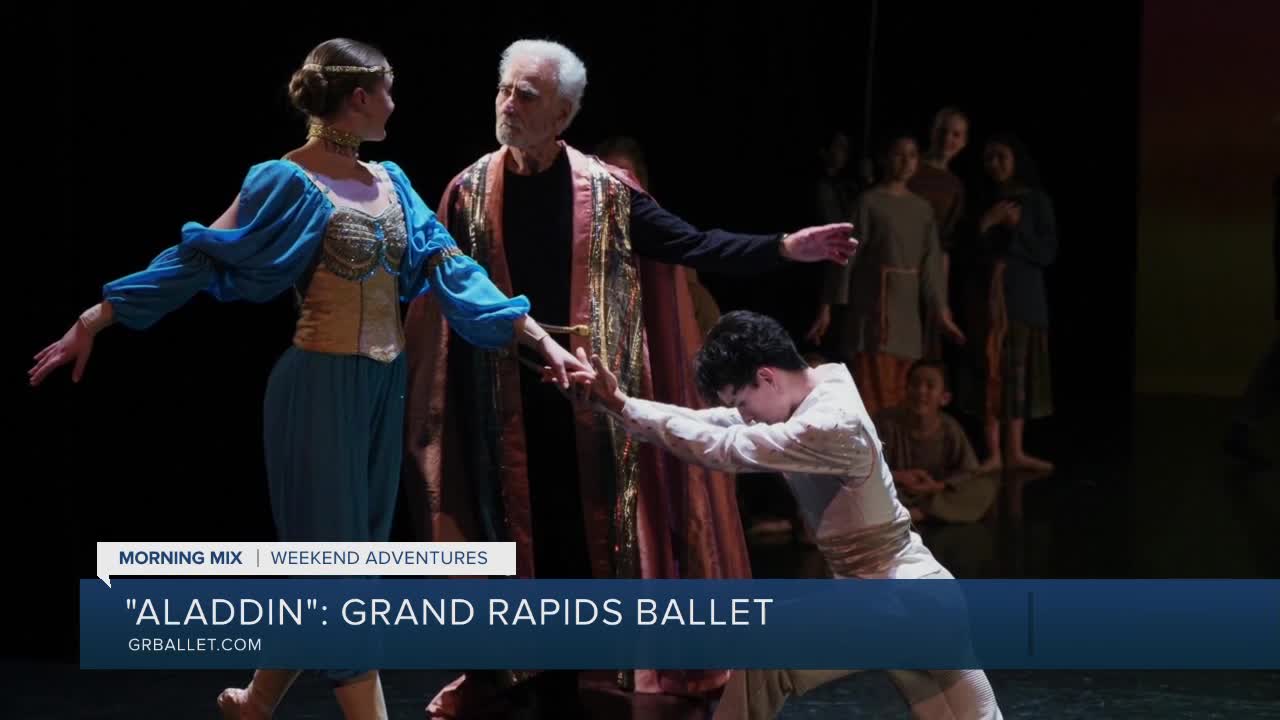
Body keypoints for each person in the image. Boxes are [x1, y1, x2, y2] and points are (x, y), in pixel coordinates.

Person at [28, 38, 584, 720]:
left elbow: (454, 273)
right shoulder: (285, 180)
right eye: (387, 90)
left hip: (381, 392)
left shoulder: (392, 182)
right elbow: (198, 257)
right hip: (318, 389)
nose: (395, 104)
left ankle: (256, 702)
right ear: (359, 98)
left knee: (338, 569)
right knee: (339, 576)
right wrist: (94, 319)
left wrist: (538, 339)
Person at [400, 38, 857, 715]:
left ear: (562, 115)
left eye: (527, 95)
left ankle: (584, 675)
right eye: (505, 89)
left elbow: (692, 243)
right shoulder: (467, 192)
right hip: (500, 399)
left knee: (580, 535)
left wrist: (784, 248)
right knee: (510, 536)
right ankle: (514, 671)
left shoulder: (607, 192)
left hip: (586, 396)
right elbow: (439, 291)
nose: (509, 104)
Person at [570, 310, 1002, 719]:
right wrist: (618, 403)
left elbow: (724, 448)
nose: (744, 416)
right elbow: (719, 423)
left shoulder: (829, 425)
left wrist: (623, 408)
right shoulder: (824, 379)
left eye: (744, 402)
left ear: (767, 377)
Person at [808, 131, 964, 417]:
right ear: (885, 159)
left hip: (907, 313)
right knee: (872, 387)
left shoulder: (922, 209)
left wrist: (942, 312)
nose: (906, 162)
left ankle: (895, 443)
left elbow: (931, 265)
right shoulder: (869, 202)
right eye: (899, 154)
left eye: (912, 156)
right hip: (873, 308)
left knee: (904, 389)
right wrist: (826, 307)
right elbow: (846, 255)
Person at [963, 134, 1056, 472]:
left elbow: (1047, 252)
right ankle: (994, 453)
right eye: (989, 157)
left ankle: (1015, 450)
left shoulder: (1036, 201)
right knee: (989, 370)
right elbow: (965, 251)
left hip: (1022, 300)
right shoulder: (980, 200)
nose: (995, 164)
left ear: (1016, 159)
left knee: (1017, 375)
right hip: (986, 298)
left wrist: (1017, 229)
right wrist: (985, 224)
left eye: (1001, 156)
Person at [874, 360, 998, 524]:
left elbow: (968, 471)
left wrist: (937, 486)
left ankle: (920, 513)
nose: (921, 391)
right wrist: (898, 476)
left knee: (984, 487)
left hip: (932, 493)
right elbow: (863, 468)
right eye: (914, 385)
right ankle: (926, 513)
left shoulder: (950, 428)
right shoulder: (885, 423)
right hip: (895, 489)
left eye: (930, 386)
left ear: (944, 398)